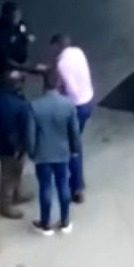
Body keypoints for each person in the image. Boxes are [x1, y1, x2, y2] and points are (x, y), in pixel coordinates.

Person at [27, 68, 81, 235]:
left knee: (45, 187)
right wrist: (75, 149)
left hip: (43, 154)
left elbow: (30, 134)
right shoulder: (68, 105)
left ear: (44, 84)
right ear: (59, 83)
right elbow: (74, 131)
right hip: (62, 153)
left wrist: (32, 151)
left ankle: (45, 223)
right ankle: (65, 221)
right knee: (63, 184)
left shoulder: (35, 106)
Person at [51, 34, 94, 203]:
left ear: (57, 46)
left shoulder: (62, 63)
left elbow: (71, 90)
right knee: (75, 143)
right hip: (89, 100)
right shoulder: (78, 52)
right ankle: (77, 181)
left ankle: (76, 186)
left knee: (72, 147)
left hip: (76, 106)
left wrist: (59, 92)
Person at [0, 69, 33, 219]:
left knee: (16, 171)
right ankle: (6, 205)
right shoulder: (18, 105)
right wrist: (19, 148)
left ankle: (16, 193)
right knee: (9, 175)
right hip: (12, 148)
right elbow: (13, 131)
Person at [0, 1, 35, 81]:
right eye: (14, 16)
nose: (18, 19)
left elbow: (23, 33)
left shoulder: (20, 24)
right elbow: (3, 57)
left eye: (19, 15)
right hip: (5, 69)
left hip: (20, 65)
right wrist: (20, 66)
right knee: (6, 88)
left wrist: (27, 37)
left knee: (18, 88)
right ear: (6, 16)